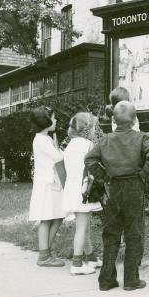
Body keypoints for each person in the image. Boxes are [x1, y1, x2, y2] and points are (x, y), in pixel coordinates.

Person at [85, 100, 149, 291]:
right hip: (134, 186)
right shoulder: (141, 138)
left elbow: (89, 159)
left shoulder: (105, 140)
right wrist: (143, 173)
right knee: (134, 233)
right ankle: (131, 280)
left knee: (111, 233)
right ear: (135, 119)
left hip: (113, 187)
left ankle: (106, 279)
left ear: (113, 120)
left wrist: (104, 177)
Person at [62, 112, 103, 275]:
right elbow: (96, 166)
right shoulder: (88, 145)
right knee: (82, 228)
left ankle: (91, 257)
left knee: (83, 226)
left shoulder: (69, 145)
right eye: (93, 127)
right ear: (88, 129)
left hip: (72, 189)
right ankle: (77, 264)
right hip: (84, 190)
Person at [29, 106, 65, 267]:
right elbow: (58, 157)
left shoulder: (45, 139)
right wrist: (60, 149)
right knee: (47, 218)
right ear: (46, 121)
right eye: (53, 117)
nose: (56, 120)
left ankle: (46, 252)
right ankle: (44, 255)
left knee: (57, 216)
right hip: (48, 184)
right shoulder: (42, 140)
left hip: (51, 183)